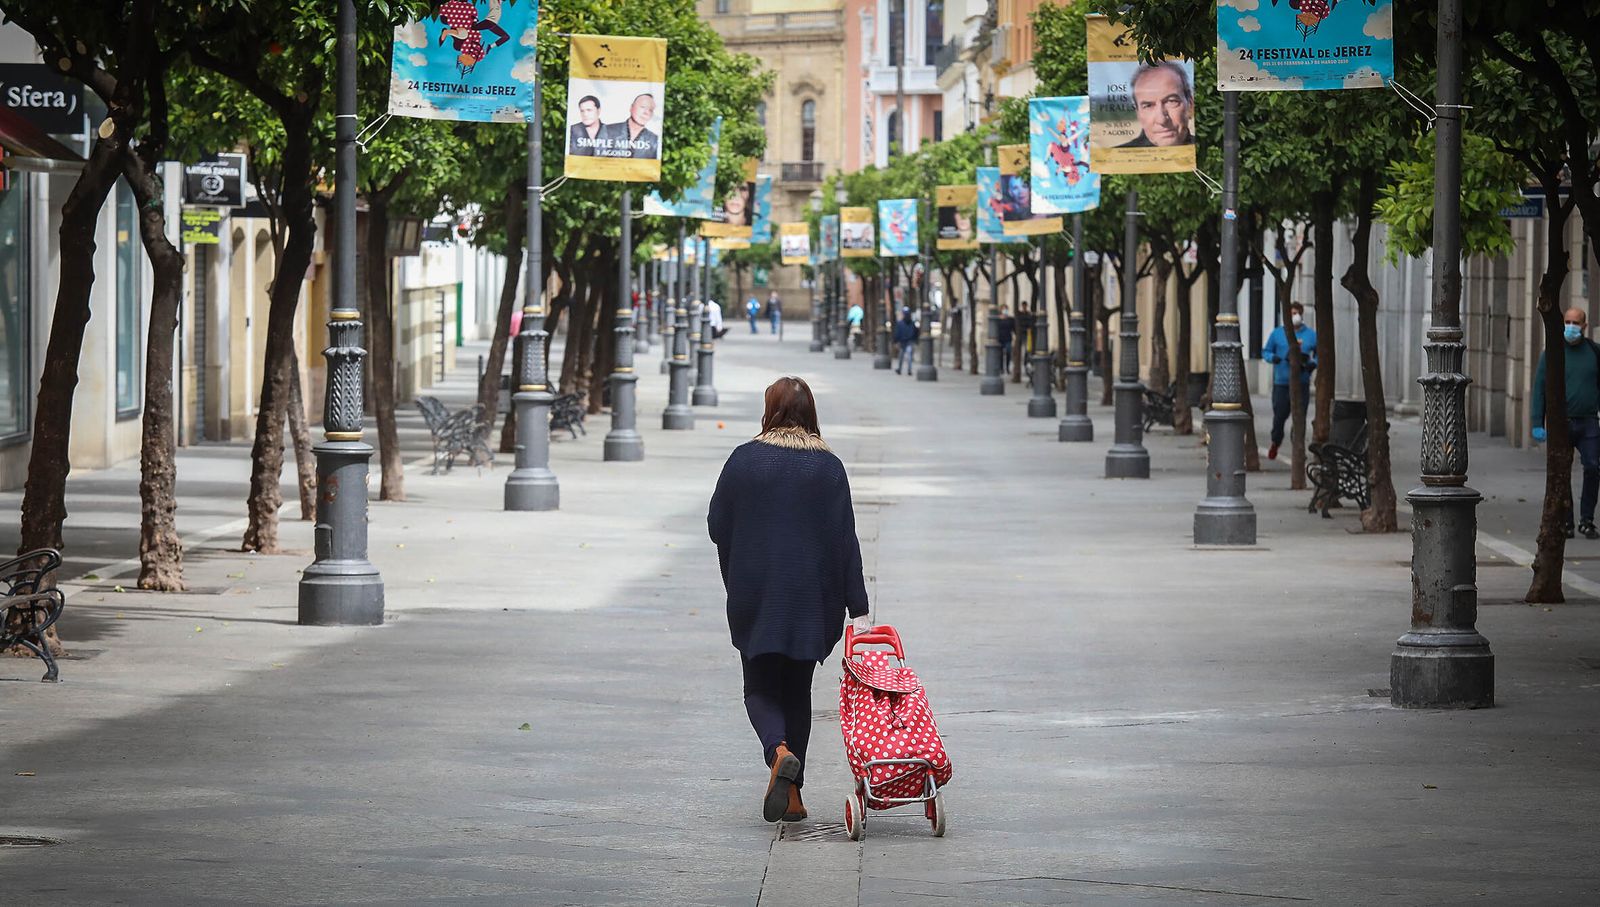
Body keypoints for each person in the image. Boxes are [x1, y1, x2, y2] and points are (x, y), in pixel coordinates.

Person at [708, 377, 870, 823]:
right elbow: (846, 542)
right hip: (811, 600)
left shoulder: (743, 461)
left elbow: (716, 524)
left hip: (758, 594)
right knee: (797, 692)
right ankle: (793, 797)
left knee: (759, 686)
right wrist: (858, 607)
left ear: (769, 411)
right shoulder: (830, 467)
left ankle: (778, 752)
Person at [1532, 308, 1600, 539]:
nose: (1571, 326)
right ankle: (1567, 521)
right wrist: (1537, 422)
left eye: (1576, 322)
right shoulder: (1552, 351)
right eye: (1568, 322)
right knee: (1562, 472)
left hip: (1589, 422)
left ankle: (1587, 520)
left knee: (1593, 467)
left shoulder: (1593, 351)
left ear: (1584, 325)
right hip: (1560, 423)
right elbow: (1539, 388)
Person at [1261, 302, 1317, 461]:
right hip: (1282, 383)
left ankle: (1298, 449)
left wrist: (1313, 363)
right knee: (1279, 417)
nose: (1295, 316)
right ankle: (1275, 442)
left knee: (1299, 418)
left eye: (1297, 313)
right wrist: (1274, 358)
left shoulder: (1311, 335)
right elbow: (1265, 351)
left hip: (1302, 383)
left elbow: (1320, 353)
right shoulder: (1277, 334)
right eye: (1291, 313)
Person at [1118, 62, 1195, 148]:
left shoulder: (1205, 150)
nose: (1161, 120)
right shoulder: (1114, 158)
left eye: (1171, 101)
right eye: (1148, 106)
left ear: (1190, 105)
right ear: (1138, 113)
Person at [600, 93, 659, 159]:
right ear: (631, 107)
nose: (646, 112)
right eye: (643, 107)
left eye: (650, 110)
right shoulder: (607, 131)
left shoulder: (654, 141)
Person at [893, 306, 919, 375]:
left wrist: (896, 341)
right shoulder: (902, 323)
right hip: (904, 342)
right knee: (905, 356)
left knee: (907, 356)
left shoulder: (906, 323)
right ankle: (903, 369)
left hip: (907, 342)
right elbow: (898, 333)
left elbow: (915, 332)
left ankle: (906, 370)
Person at [995, 305, 1016, 374]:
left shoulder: (1010, 319)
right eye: (1003, 309)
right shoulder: (998, 319)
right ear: (1001, 310)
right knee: (1000, 354)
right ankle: (1001, 368)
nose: (1005, 311)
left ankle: (1007, 367)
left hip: (1008, 338)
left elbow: (1014, 329)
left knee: (1008, 353)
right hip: (1000, 338)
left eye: (1006, 309)